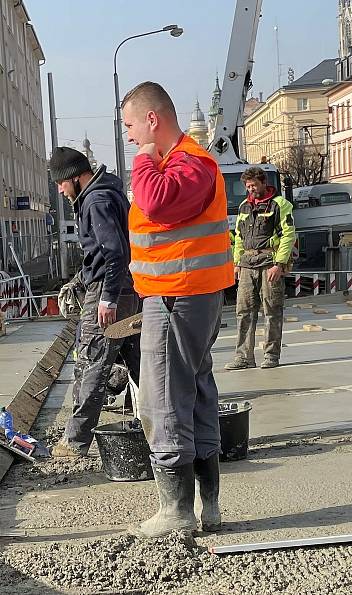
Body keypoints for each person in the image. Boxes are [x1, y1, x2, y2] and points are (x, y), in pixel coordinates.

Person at [122, 81, 234, 538]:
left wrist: (144, 157)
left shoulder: (190, 164)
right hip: (187, 295)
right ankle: (207, 505)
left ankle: (176, 511)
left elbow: (154, 201)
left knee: (163, 398)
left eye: (130, 125)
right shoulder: (187, 163)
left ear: (152, 120)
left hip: (176, 296)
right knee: (196, 391)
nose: (128, 136)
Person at [48, 147, 141, 458]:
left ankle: (75, 443)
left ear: (76, 177)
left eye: (62, 183)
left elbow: (114, 253)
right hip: (128, 290)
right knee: (140, 363)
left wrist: (106, 298)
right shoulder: (108, 192)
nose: (60, 191)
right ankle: (158, 425)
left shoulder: (95, 200)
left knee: (92, 362)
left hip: (110, 291)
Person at [225, 167, 295, 370]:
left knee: (272, 310)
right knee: (243, 311)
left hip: (269, 264)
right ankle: (244, 357)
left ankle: (271, 355)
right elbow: (238, 236)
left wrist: (279, 264)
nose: (251, 189)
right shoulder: (244, 206)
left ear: (263, 182)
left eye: (254, 185)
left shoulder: (280, 204)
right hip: (247, 264)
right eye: (247, 186)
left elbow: (288, 235)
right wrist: (237, 263)